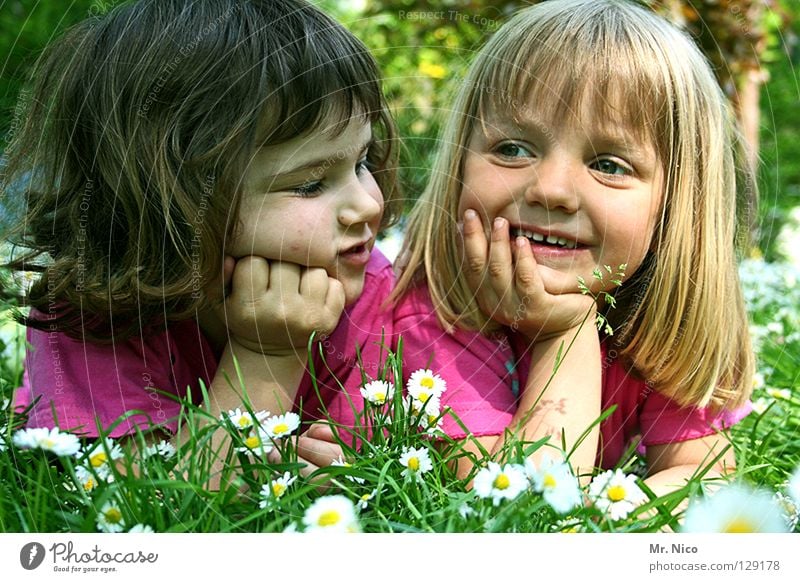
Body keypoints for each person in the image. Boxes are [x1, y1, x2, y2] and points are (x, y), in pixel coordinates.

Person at [2, 0, 399, 476]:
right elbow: (159, 512)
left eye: (362, 162)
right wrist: (266, 355)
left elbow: (365, 465)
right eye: (310, 183)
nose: (369, 205)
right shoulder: (92, 313)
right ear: (173, 207)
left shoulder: (372, 291)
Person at [391, 0, 755, 493]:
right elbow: (525, 496)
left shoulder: (661, 323)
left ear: (676, 208)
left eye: (609, 164)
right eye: (513, 149)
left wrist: (621, 520)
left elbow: (705, 475)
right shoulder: (434, 309)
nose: (552, 190)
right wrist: (565, 331)